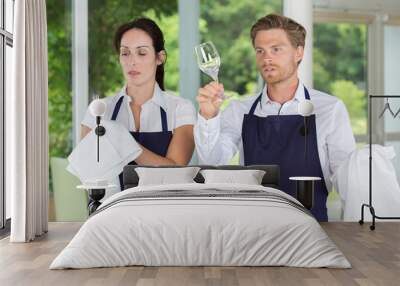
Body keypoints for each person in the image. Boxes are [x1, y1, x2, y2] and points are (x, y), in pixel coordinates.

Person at [194, 14, 356, 221]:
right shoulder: (239, 109)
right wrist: (208, 117)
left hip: (312, 228)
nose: (266, 58)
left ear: (299, 52)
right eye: (260, 51)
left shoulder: (329, 109)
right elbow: (211, 162)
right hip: (253, 227)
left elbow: (347, 181)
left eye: (276, 49)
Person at [81, 18, 196, 191]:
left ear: (160, 58)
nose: (132, 61)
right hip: (110, 211)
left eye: (141, 53)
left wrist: (127, 144)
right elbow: (87, 172)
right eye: (125, 53)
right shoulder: (98, 111)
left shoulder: (180, 109)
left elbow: (176, 174)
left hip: (162, 211)